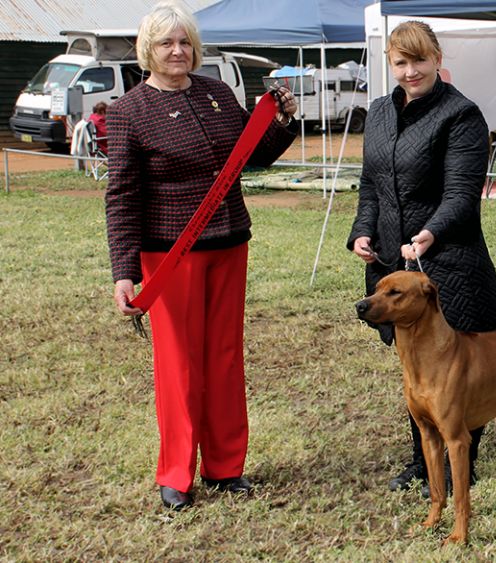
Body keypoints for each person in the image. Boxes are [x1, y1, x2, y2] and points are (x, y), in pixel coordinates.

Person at [105, 1, 298, 511]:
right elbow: (121, 195)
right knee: (179, 364)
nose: (178, 51)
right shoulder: (128, 111)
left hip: (229, 244)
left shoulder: (218, 93)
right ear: (148, 50)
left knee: (225, 357)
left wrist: (281, 120)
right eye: (166, 42)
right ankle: (176, 473)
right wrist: (125, 272)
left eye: (185, 42)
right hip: (171, 255)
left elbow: (251, 155)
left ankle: (226, 466)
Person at [347, 21, 496, 498]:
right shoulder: (379, 112)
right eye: (401, 62)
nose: (411, 71)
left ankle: (463, 464)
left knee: (455, 368)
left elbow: (461, 193)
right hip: (392, 265)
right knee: (416, 367)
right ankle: (424, 462)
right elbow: (371, 184)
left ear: (437, 58)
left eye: (419, 60)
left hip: (449, 261)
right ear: (390, 64)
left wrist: (430, 233)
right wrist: (362, 231)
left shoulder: (461, 115)